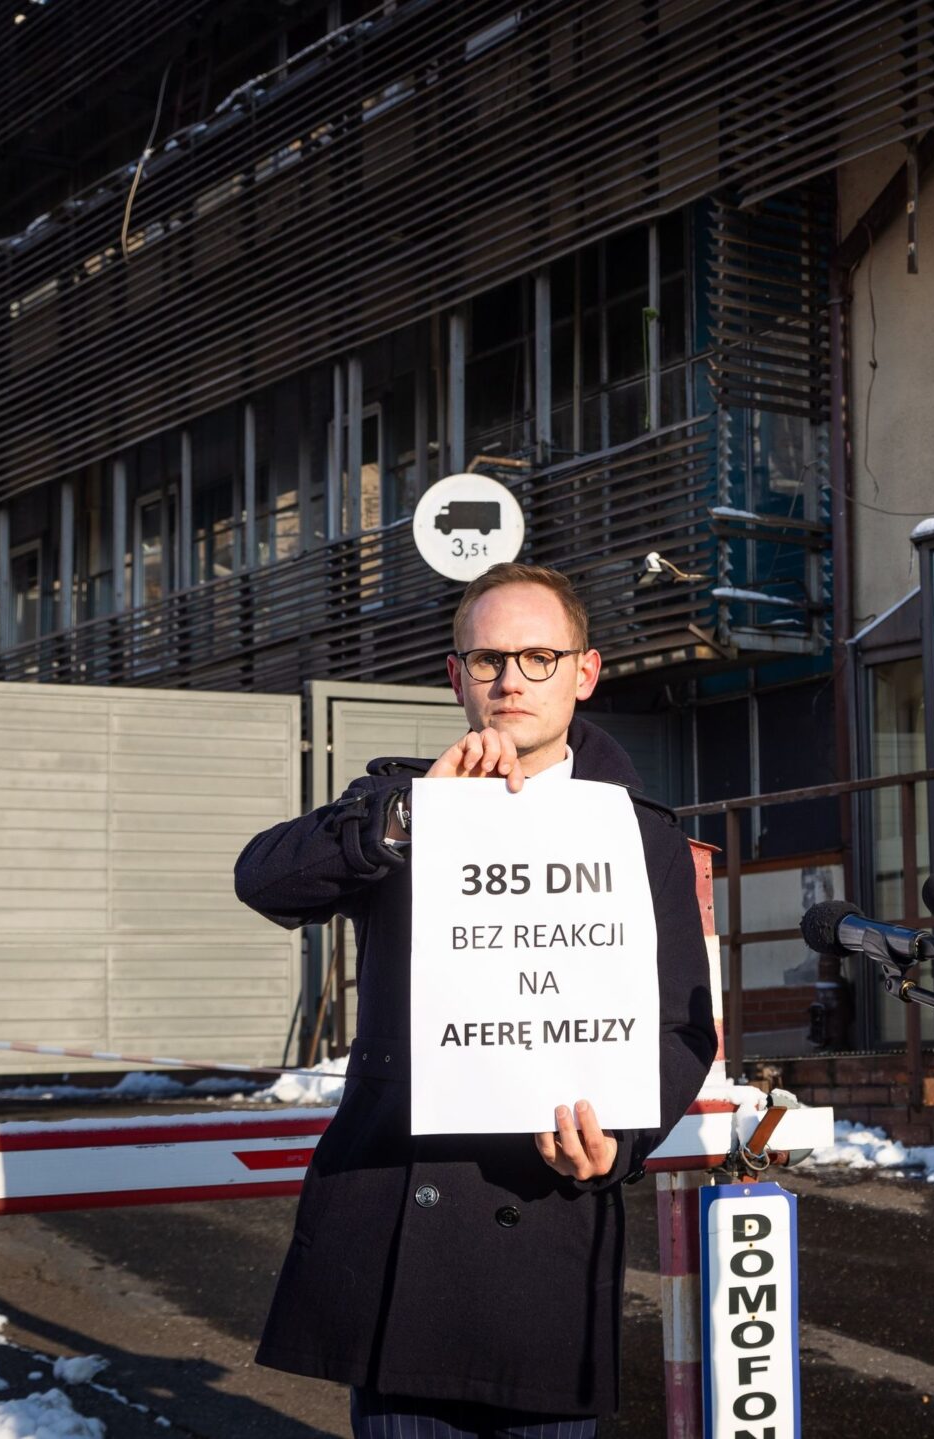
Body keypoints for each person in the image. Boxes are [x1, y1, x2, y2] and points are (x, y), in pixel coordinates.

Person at [234, 562, 715, 1439]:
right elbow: (263, 879)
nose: (511, 679)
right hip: (398, 1242)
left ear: (585, 671)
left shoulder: (641, 837)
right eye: (488, 658)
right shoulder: (400, 807)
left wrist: (621, 1144)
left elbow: (683, 1025)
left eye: (538, 656)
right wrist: (405, 818)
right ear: (455, 676)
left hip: (549, 1240)